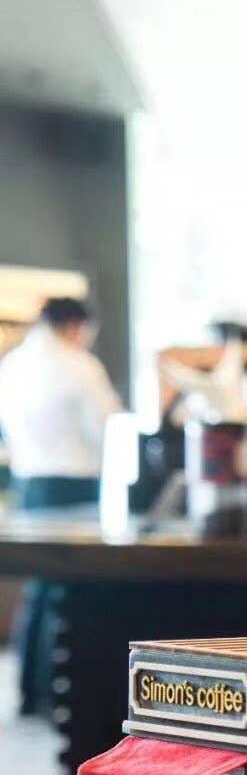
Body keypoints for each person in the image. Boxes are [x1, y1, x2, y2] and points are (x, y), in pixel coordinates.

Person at [0, 297, 121, 715]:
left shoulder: (11, 364)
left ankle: (29, 692)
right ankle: (62, 695)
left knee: (37, 589)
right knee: (71, 592)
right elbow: (109, 427)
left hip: (29, 484)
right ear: (75, 325)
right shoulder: (80, 366)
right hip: (75, 486)